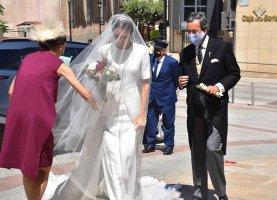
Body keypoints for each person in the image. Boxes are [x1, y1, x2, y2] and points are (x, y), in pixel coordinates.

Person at [43, 14, 180, 200]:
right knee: (113, 159)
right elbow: (100, 78)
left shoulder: (141, 52)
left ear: (131, 34)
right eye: (116, 36)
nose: (119, 40)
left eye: (123, 36)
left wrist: (142, 115)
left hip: (132, 112)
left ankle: (124, 190)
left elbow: (146, 84)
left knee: (127, 160)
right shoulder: (106, 50)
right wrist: (96, 76)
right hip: (109, 111)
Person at [0, 22, 96, 200]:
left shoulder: (28, 59)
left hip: (18, 117)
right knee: (43, 167)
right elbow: (84, 92)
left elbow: (11, 91)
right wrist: (98, 107)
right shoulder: (58, 63)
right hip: (40, 120)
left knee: (28, 166)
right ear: (60, 46)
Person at [178, 13, 240, 200]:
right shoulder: (186, 53)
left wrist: (219, 86)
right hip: (195, 110)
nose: (191, 35)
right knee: (197, 151)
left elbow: (234, 73)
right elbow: (184, 77)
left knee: (213, 148)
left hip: (215, 110)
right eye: (188, 31)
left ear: (204, 29)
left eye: (194, 31)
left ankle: (221, 193)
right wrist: (179, 81)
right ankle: (199, 191)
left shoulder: (221, 48)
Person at [143, 39, 179, 155]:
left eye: (158, 50)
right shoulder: (150, 60)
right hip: (152, 97)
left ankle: (169, 145)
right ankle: (150, 144)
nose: (156, 52)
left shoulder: (172, 62)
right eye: (155, 49)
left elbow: (175, 79)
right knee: (151, 122)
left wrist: (170, 92)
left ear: (164, 51)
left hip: (167, 98)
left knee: (168, 122)